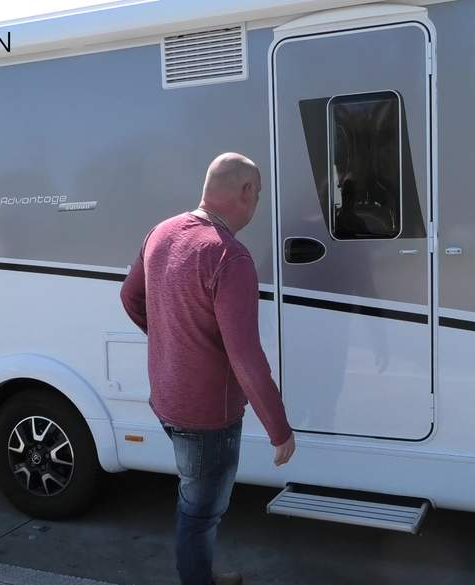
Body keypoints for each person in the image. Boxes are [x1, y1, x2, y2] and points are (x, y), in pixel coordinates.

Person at [120, 152, 296, 585]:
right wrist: (279, 429)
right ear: (245, 192)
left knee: (193, 499)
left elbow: (130, 297)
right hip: (207, 417)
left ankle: (202, 573)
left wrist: (172, 342)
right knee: (200, 513)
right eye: (258, 193)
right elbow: (245, 355)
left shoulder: (161, 232)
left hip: (166, 400)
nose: (258, 203)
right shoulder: (229, 257)